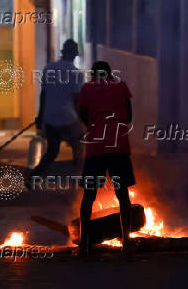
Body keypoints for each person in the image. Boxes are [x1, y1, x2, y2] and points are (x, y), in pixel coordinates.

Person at [77, 61, 135, 255]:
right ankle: (127, 240)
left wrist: (95, 128)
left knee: (89, 196)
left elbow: (82, 114)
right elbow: (129, 116)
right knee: (122, 193)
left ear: (93, 75)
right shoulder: (120, 86)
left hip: (96, 148)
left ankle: (84, 244)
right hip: (119, 146)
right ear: (110, 74)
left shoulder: (87, 89)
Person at [27, 39, 84, 184]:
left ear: (63, 53)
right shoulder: (76, 73)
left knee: (53, 151)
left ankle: (33, 177)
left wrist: (40, 117)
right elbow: (77, 100)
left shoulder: (49, 68)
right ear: (74, 55)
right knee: (80, 143)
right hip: (68, 117)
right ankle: (79, 178)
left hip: (50, 117)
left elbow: (43, 94)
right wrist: (83, 120)